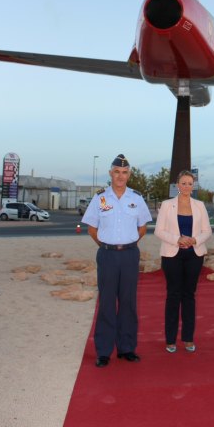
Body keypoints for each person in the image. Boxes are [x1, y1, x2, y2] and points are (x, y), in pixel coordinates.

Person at [81, 153, 152, 367]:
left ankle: (126, 348)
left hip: (130, 255)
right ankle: (103, 351)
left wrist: (127, 243)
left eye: (124, 173)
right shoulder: (100, 198)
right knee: (107, 302)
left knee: (129, 302)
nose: (120, 176)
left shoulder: (136, 198)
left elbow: (142, 227)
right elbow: (92, 228)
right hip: (108, 255)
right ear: (110, 173)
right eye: (117, 172)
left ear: (129, 175)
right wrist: (106, 245)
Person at [154, 170, 212, 353]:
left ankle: (188, 338)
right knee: (173, 295)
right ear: (177, 185)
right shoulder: (166, 205)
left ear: (193, 186)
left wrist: (194, 240)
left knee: (189, 296)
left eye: (190, 183)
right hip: (172, 255)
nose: (187, 186)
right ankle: (170, 339)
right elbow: (159, 230)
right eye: (183, 183)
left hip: (194, 255)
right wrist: (178, 239)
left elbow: (207, 231)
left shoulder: (200, 205)